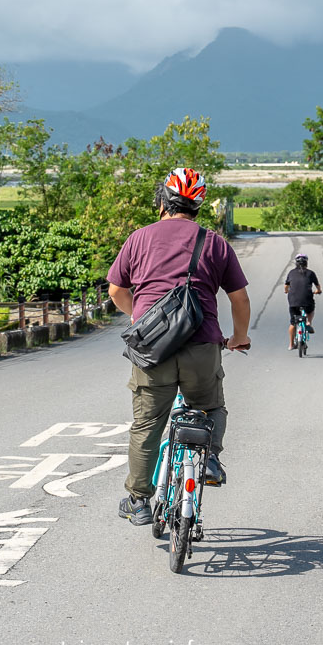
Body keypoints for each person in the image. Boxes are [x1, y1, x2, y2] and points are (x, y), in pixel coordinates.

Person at [106, 167, 251, 526]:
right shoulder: (215, 243)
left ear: (162, 203)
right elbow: (240, 299)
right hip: (202, 344)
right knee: (210, 406)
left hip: (152, 349)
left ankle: (139, 500)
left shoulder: (138, 239)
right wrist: (239, 337)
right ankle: (211, 460)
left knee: (147, 423)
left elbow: (116, 291)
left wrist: (140, 318)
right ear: (198, 207)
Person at [285, 253, 321, 350]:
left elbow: (286, 286)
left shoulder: (291, 273)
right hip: (307, 299)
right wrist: (318, 291)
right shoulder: (311, 273)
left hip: (293, 301)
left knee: (293, 323)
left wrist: (286, 291)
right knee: (311, 309)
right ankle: (309, 322)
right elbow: (318, 286)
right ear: (306, 263)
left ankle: (291, 344)